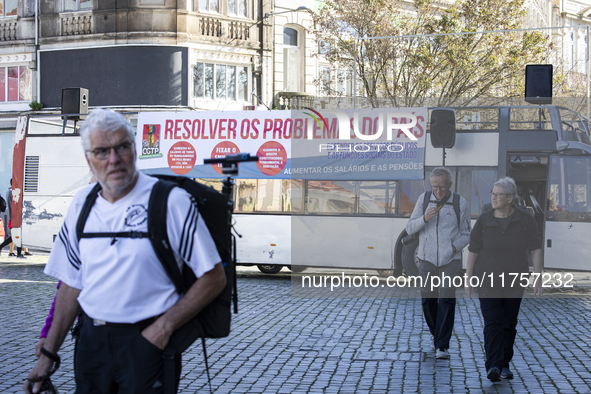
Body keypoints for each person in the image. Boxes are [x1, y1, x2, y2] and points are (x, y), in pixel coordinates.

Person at [24, 109, 226, 394]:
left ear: (134, 148)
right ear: (88, 159)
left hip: (147, 342)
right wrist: (48, 357)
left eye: (122, 147)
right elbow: (71, 283)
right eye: (102, 151)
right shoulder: (82, 203)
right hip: (91, 344)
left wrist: (163, 328)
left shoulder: (170, 201)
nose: (114, 159)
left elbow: (214, 277)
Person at [465, 177, 543, 382]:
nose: (493, 197)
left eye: (498, 194)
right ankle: (493, 365)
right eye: (492, 193)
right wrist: (468, 277)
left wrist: (538, 275)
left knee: (508, 323)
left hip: (515, 280)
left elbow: (535, 247)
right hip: (487, 279)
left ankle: (504, 363)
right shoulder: (484, 219)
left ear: (510, 197)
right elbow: (473, 249)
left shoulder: (526, 219)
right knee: (492, 323)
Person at [405, 167, 471, 359]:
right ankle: (436, 334)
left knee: (446, 300)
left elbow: (467, 234)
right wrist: (424, 218)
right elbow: (410, 228)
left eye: (442, 187)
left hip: (450, 260)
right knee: (428, 301)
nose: (438, 191)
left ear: (450, 185)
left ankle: (442, 345)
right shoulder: (424, 200)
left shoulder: (460, 203)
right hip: (426, 259)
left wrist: (452, 248)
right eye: (435, 187)